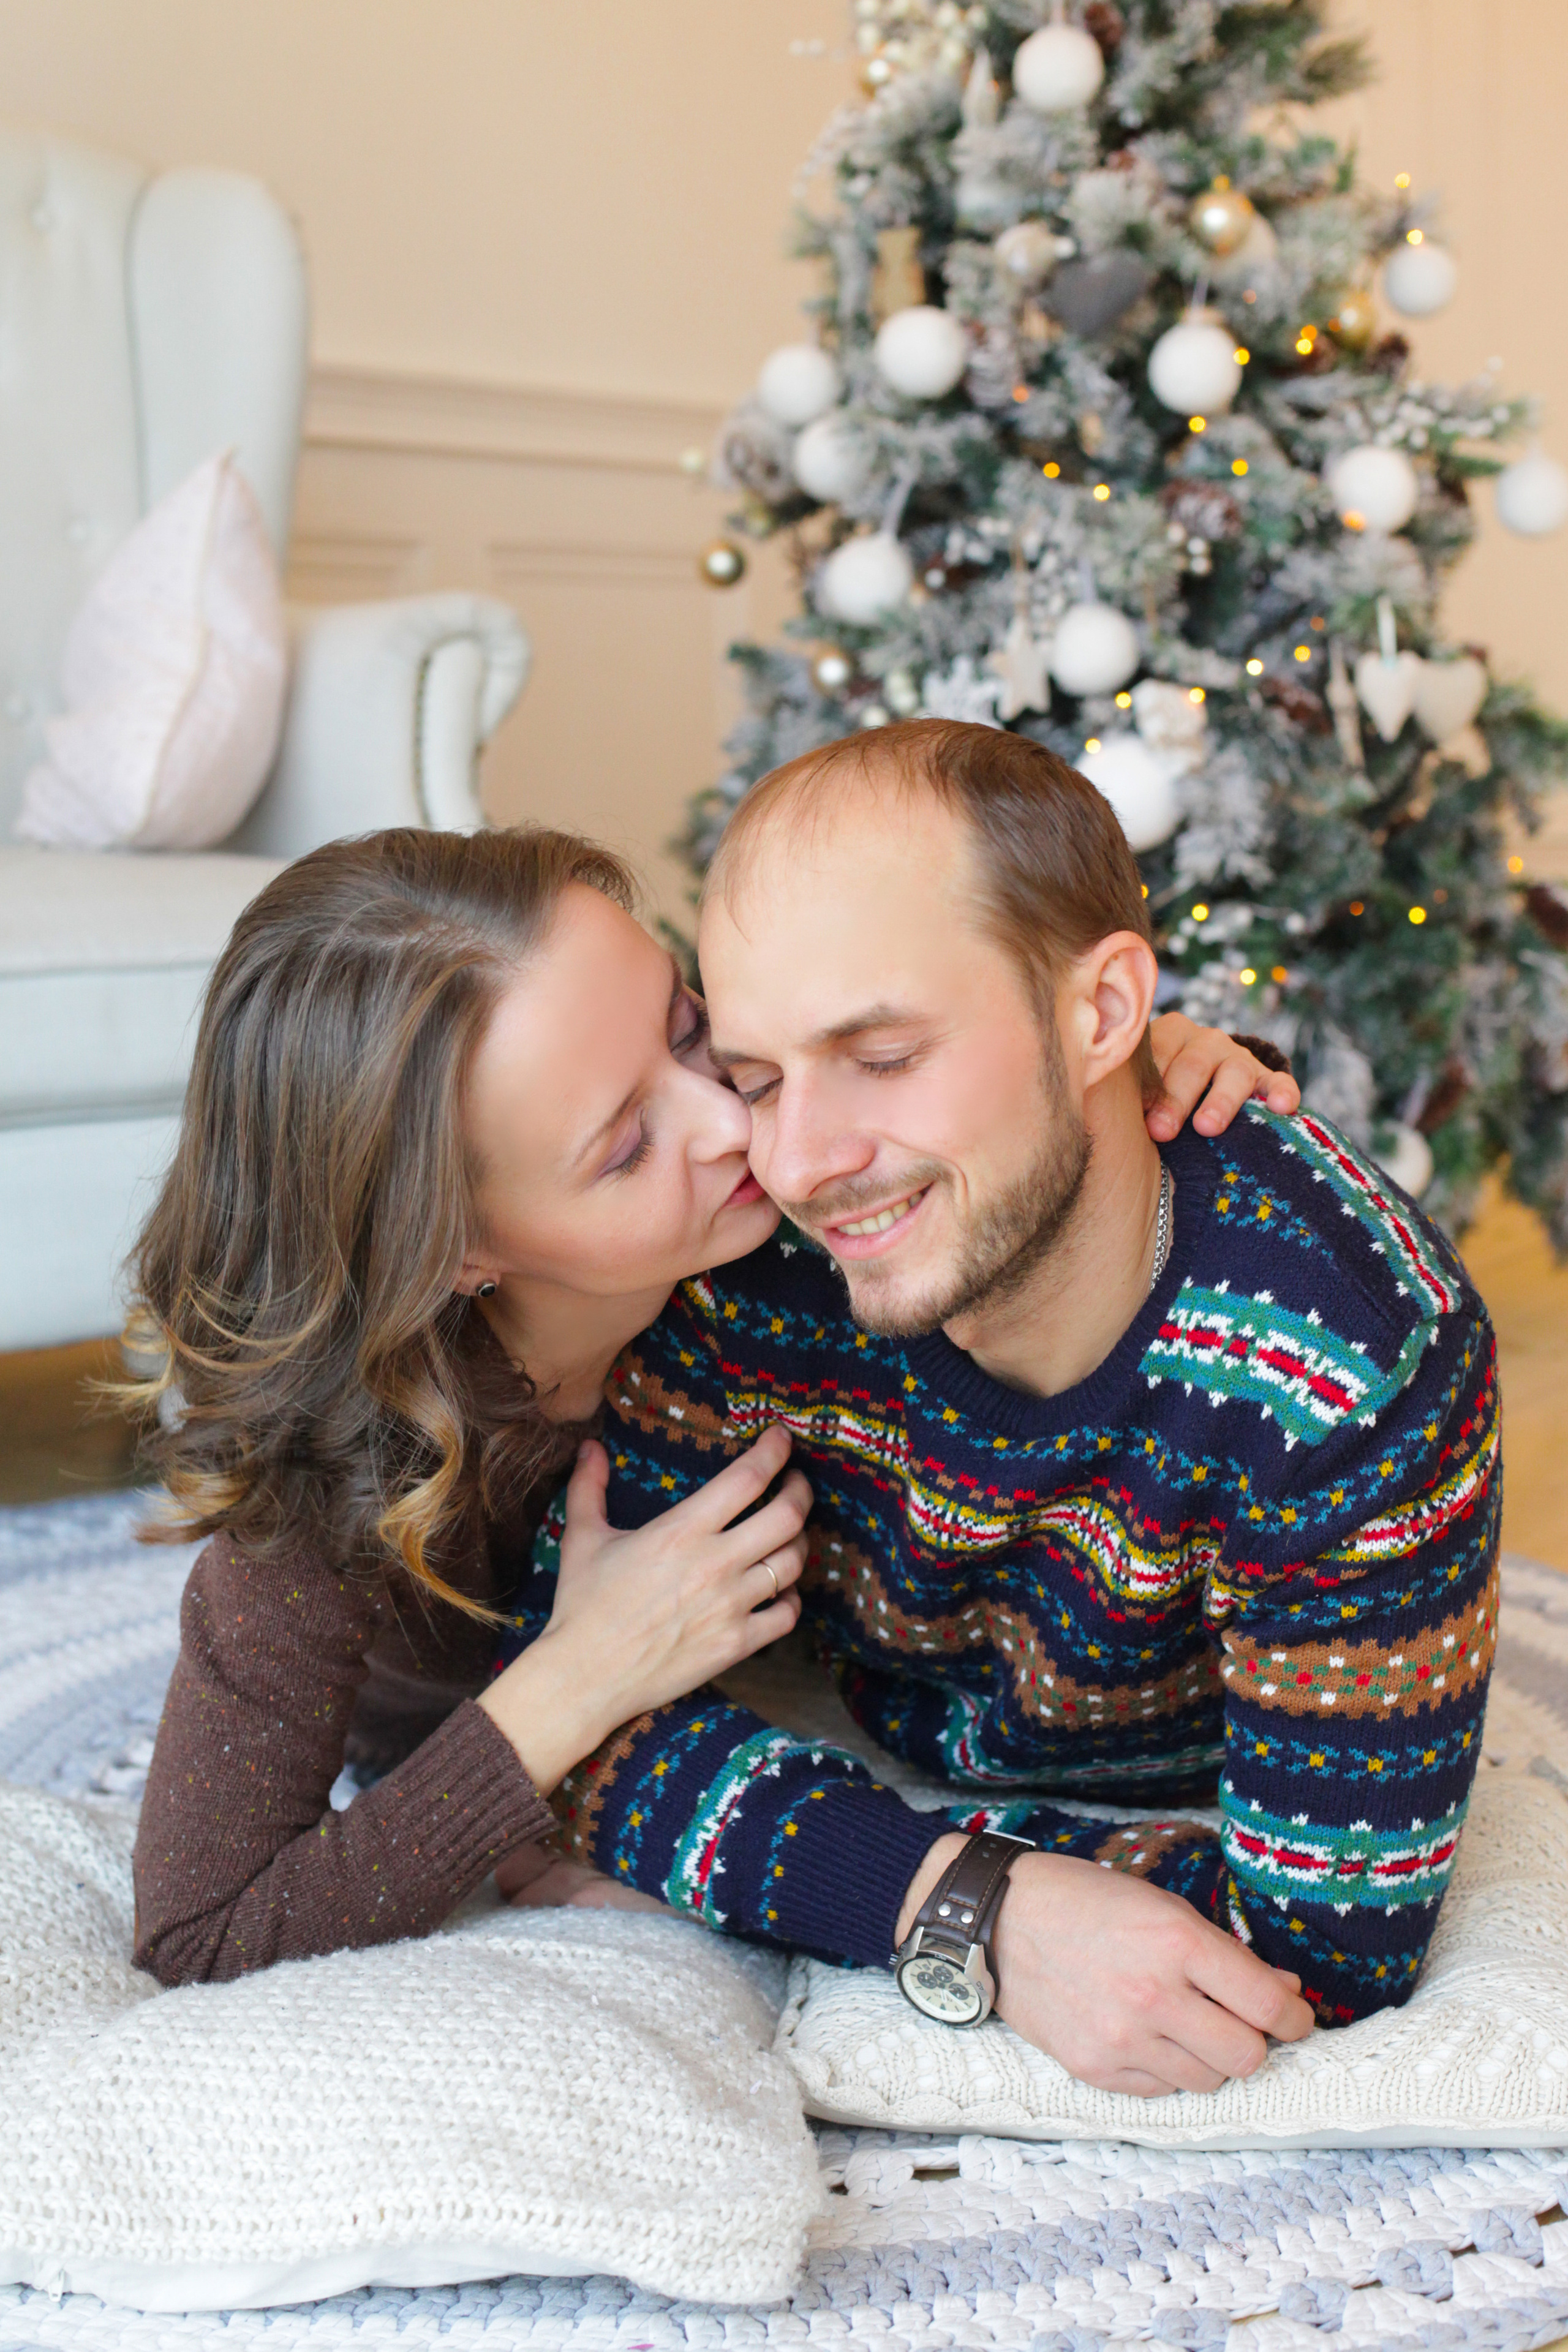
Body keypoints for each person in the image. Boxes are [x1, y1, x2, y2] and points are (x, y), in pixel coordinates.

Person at [504, 719, 1499, 2100]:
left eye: (884, 1054)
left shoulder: (1347, 1354)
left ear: (1101, 1017)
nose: (800, 1160)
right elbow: (561, 1715)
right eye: (756, 1075)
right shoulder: (739, 1262)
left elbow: (1315, 1947)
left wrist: (762, 1823)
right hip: (898, 1737)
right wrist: (954, 1896)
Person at [127, 821, 1281, 1986]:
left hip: (829, 1669)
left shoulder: (787, 1218)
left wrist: (1133, 1066)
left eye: (689, 1033)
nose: (738, 1124)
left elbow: (1044, 1195)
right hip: (538, 1746)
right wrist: (578, 1681)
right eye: (628, 1146)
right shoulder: (337, 1480)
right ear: (452, 1249)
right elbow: (203, 1934)